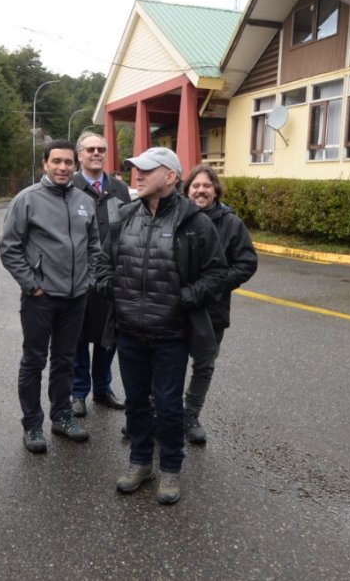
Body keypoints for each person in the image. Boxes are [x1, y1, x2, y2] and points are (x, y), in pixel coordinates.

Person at [96, 147, 227, 505]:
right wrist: (113, 290)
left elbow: (217, 273)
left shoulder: (194, 222)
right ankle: (141, 462)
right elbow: (103, 263)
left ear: (170, 176)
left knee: (169, 406)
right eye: (135, 169)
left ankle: (170, 467)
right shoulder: (124, 216)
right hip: (129, 332)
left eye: (147, 169)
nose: (137, 175)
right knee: (136, 402)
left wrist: (185, 298)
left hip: (171, 334)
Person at [0, 139, 100, 454]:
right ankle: (32, 424)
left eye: (68, 162)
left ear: (75, 165)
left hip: (76, 297)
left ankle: (61, 415)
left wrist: (90, 280)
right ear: (45, 164)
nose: (63, 167)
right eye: (56, 161)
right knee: (34, 360)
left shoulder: (85, 200)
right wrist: (32, 285)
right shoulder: (27, 200)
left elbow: (95, 246)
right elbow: (9, 247)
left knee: (65, 360)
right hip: (41, 298)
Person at [182, 164, 258, 444]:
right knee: (169, 362)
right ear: (187, 190)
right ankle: (162, 413)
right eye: (195, 186)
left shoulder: (231, 223)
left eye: (206, 186)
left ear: (215, 190)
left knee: (204, 365)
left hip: (212, 309)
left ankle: (190, 415)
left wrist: (216, 285)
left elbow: (247, 263)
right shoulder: (177, 217)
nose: (201, 190)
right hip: (177, 306)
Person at [69, 131, 131, 417]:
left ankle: (103, 388)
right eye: (90, 149)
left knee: (109, 336)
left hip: (113, 276)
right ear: (80, 154)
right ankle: (78, 392)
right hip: (78, 276)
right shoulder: (70, 187)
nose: (96, 154)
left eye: (101, 150)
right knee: (79, 337)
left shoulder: (120, 188)